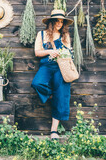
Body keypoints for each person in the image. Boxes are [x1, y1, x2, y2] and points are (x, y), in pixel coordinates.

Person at [31, 9, 74, 140]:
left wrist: (63, 52)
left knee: (61, 97)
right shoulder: (42, 34)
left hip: (62, 67)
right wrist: (50, 51)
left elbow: (69, 54)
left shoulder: (65, 36)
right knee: (37, 83)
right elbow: (37, 52)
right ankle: (50, 93)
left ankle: (53, 131)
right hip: (47, 66)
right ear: (51, 22)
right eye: (57, 21)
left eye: (62, 21)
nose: (60, 24)